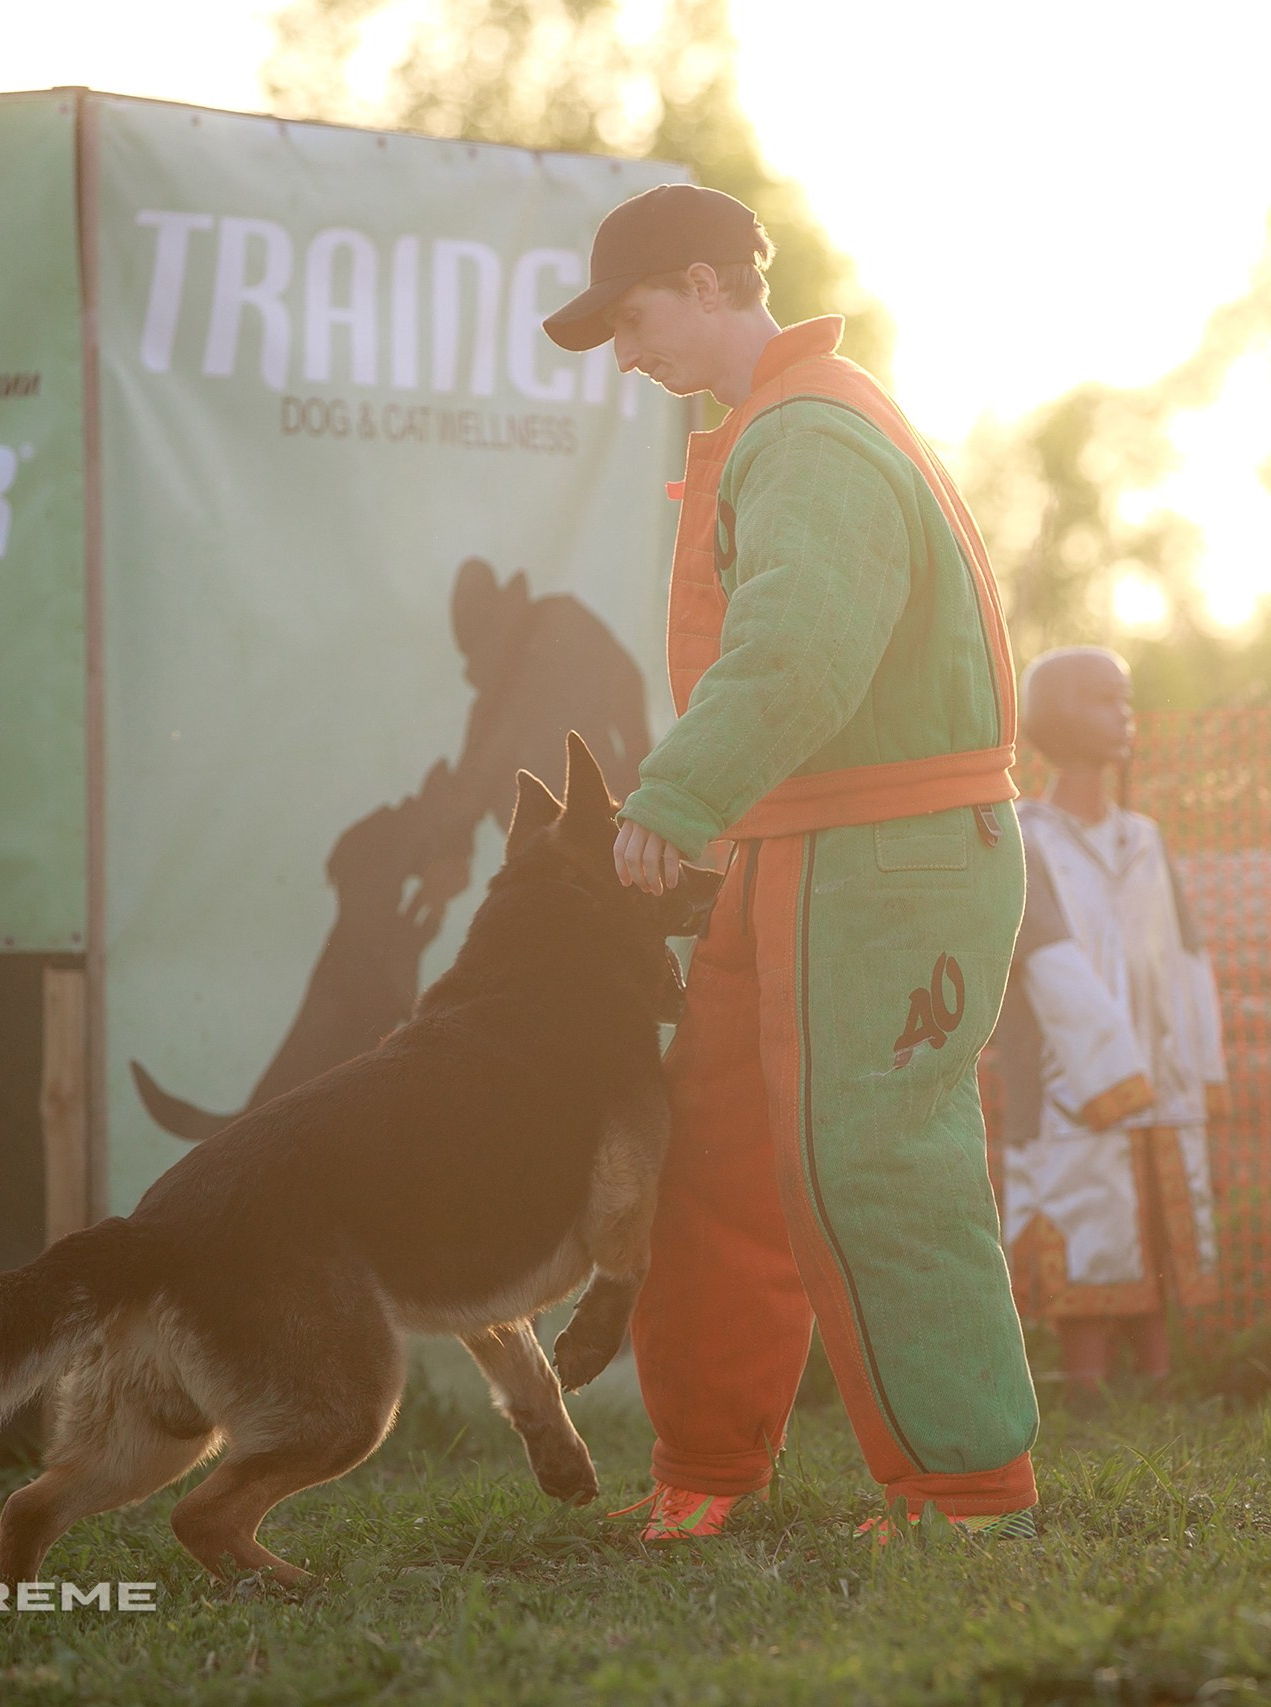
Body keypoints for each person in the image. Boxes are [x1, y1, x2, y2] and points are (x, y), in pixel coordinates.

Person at [542, 183, 1038, 1540]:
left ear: (706, 284)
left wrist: (675, 798)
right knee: (714, 1161)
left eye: (632, 320)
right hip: (801, 840)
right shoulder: (784, 421)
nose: (625, 355)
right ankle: (706, 1469)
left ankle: (963, 1489)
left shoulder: (813, 432)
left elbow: (803, 646)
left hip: (887, 847)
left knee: (875, 1161)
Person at [993, 647, 1229, 1391]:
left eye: (1124, 699)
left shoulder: (1145, 838)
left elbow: (1186, 954)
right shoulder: (1025, 836)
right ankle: (1087, 1382)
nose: (1124, 715)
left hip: (1161, 1071)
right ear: (1058, 713)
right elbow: (1046, 957)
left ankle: (1157, 1377)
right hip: (1071, 1078)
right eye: (1104, 699)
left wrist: (1199, 1063)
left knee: (1152, 1212)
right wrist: (1109, 1069)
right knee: (1086, 1209)